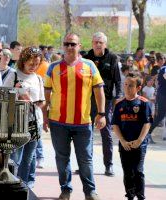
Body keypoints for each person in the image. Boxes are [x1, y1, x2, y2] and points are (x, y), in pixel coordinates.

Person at [43, 33, 106, 200]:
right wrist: (45, 117)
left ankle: (90, 192)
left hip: (83, 122)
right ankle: (65, 189)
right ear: (63, 46)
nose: (70, 47)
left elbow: (99, 90)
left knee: (85, 159)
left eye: (73, 44)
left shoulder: (89, 65)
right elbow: (46, 93)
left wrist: (101, 114)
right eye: (67, 44)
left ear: (80, 46)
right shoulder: (53, 67)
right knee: (62, 159)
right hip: (58, 122)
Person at [3, 46, 45, 189]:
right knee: (15, 157)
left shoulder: (38, 78)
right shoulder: (13, 75)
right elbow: (3, 97)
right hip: (17, 123)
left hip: (35, 122)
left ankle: (24, 186)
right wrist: (17, 94)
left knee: (28, 158)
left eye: (37, 64)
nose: (34, 66)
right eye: (31, 63)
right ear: (23, 61)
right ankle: (11, 184)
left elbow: (42, 102)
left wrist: (33, 103)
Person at [84, 32, 121, 176]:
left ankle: (109, 165)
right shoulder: (86, 58)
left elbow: (118, 80)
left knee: (106, 133)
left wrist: (118, 96)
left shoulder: (112, 58)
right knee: (86, 133)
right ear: (92, 43)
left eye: (101, 42)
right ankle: (86, 165)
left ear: (105, 44)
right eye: (95, 42)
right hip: (87, 100)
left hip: (105, 101)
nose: (98, 44)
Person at [112, 71, 153, 200]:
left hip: (139, 143)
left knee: (138, 170)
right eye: (125, 84)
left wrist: (140, 140)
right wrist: (123, 141)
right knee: (127, 171)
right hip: (125, 143)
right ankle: (130, 195)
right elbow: (115, 125)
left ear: (138, 88)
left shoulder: (143, 103)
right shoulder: (119, 104)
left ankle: (141, 196)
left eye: (130, 85)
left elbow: (147, 124)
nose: (127, 88)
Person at [147, 63, 166, 140]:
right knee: (159, 117)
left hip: (162, 95)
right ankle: (147, 133)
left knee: (159, 117)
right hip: (163, 96)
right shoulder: (164, 68)